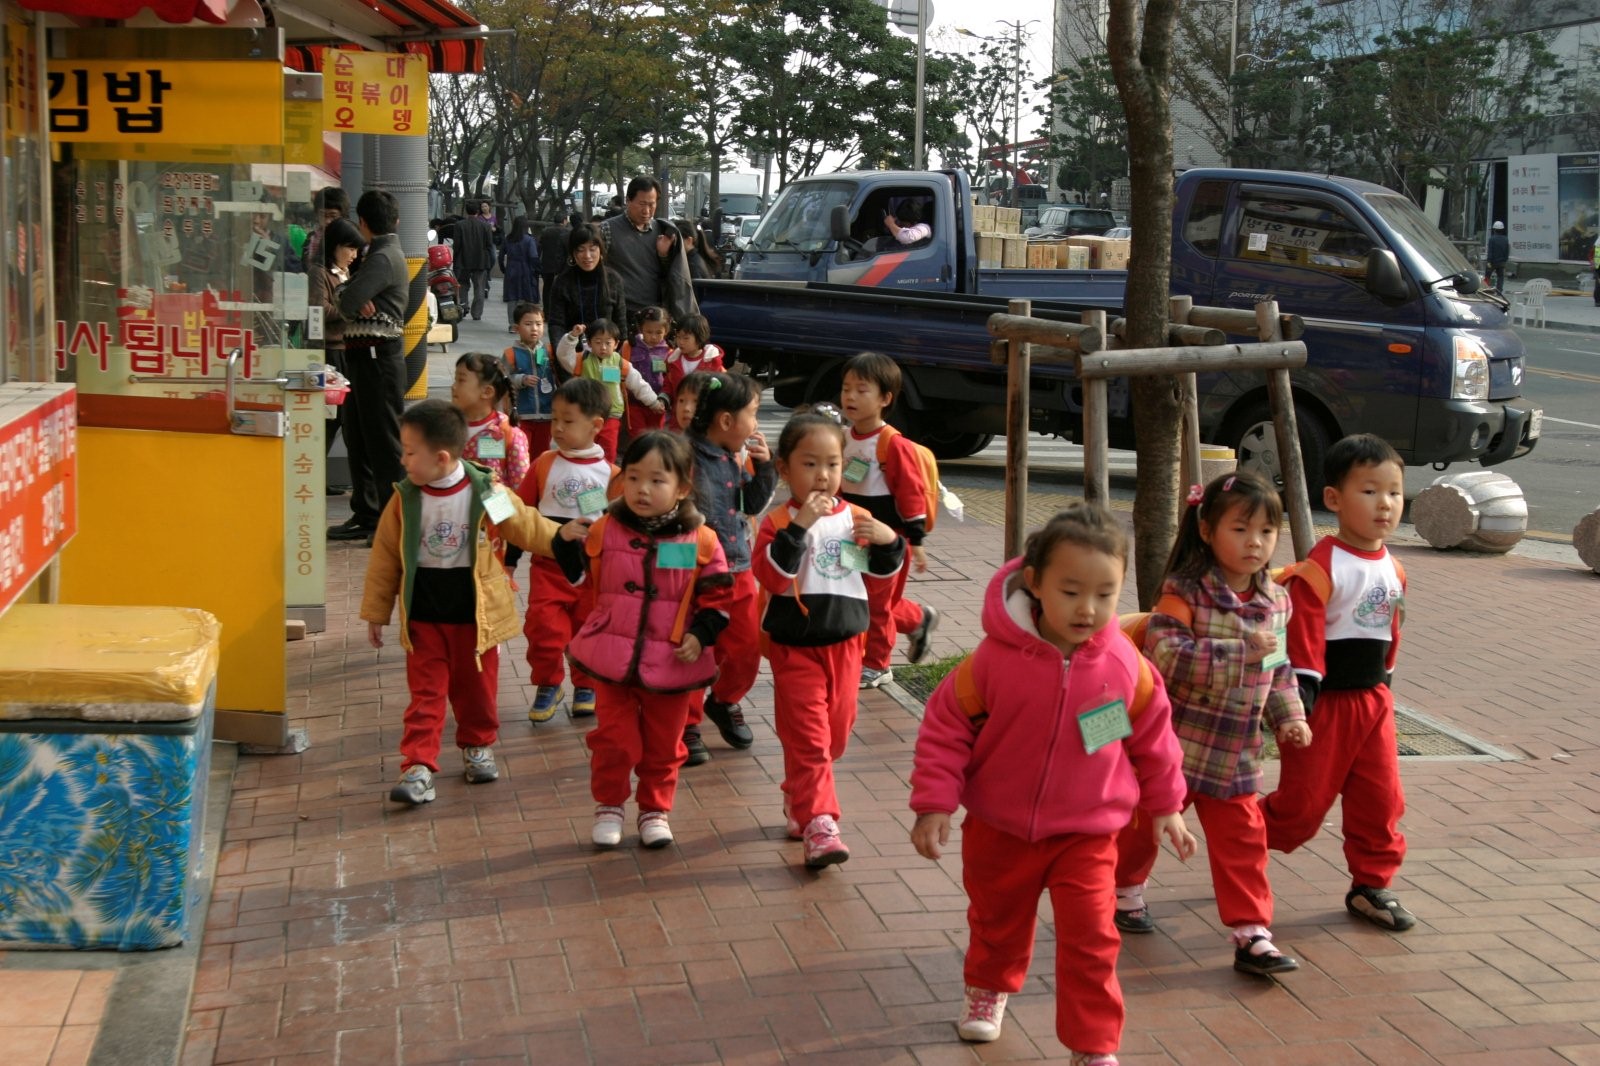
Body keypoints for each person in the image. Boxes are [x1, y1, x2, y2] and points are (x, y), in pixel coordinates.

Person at [908, 504, 1196, 1059]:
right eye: (1071, 591)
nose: (1088, 609)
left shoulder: (1127, 668)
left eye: (1105, 594)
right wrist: (934, 804)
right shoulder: (991, 662)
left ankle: (1092, 1044)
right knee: (996, 922)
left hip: (1087, 834)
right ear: (1036, 584)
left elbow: (1155, 741)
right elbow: (945, 731)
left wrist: (1167, 807)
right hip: (999, 828)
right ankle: (987, 989)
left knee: (1092, 941)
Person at [1111, 471, 1309, 976]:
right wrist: (1239, 650)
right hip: (1173, 747)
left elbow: (1278, 669)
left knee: (1244, 841)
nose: (1255, 543)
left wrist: (1289, 717)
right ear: (1206, 530)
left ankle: (1252, 933)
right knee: (1141, 828)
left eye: (1266, 531)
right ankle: (1124, 890)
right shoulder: (1183, 591)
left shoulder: (1276, 601)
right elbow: (1168, 656)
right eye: (1240, 529)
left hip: (1236, 752)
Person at [360, 399, 575, 804]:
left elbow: (523, 524)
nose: (402, 460)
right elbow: (385, 556)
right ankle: (418, 766)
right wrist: (376, 611)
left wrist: (562, 540)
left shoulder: (484, 490)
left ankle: (477, 745)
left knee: (477, 690)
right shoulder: (404, 498)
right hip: (423, 614)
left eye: (409, 452)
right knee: (425, 694)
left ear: (441, 457)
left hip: (476, 615)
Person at [1260, 434, 1414, 931]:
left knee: (1382, 799)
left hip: (1374, 704)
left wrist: (1386, 687)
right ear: (1334, 499)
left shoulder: (1394, 567)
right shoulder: (1320, 567)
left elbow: (1391, 630)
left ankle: (1371, 885)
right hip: (1324, 707)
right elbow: (1303, 643)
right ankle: (1238, 834)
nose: (1385, 504)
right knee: (1300, 811)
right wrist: (1297, 708)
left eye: (1393, 492)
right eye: (1369, 491)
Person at [552, 430, 735, 849]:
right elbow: (580, 579)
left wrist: (700, 634)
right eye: (633, 478)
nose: (642, 489)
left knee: (664, 745)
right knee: (614, 739)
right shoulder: (604, 529)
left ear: (682, 487)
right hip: (611, 657)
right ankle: (609, 806)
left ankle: (654, 809)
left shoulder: (701, 540)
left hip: (672, 660)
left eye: (656, 480)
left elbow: (718, 598)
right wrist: (562, 543)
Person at [753, 407, 905, 867]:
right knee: (812, 740)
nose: (823, 475)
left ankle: (798, 794)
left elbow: (878, 581)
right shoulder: (778, 521)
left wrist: (888, 542)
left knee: (834, 737)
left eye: (833, 464)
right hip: (794, 647)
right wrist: (799, 528)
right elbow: (773, 576)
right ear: (784, 469)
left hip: (846, 646)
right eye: (810, 463)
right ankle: (821, 823)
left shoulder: (855, 516)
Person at [683, 373, 776, 764]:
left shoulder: (736, 455)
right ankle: (686, 724)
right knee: (694, 648)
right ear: (725, 421)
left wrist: (765, 467)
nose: (755, 424)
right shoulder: (682, 455)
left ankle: (723, 701)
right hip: (693, 573)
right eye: (753, 414)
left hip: (738, 567)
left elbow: (752, 505)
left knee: (746, 649)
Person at [515, 378, 619, 724]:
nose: (557, 427)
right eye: (555, 419)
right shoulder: (543, 464)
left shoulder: (614, 476)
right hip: (548, 568)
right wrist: (508, 562)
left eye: (568, 420)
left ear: (596, 425)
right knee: (543, 629)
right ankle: (547, 683)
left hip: (593, 574)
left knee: (587, 631)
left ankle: (586, 685)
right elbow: (520, 514)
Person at [838, 352, 939, 688]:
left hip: (887, 542)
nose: (850, 396)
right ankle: (919, 619)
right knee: (858, 598)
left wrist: (916, 541)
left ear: (885, 398)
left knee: (876, 605)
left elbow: (911, 494)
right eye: (846, 388)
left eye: (861, 390)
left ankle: (878, 665)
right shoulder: (843, 436)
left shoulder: (892, 444)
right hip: (853, 536)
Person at [329, 190, 409, 542]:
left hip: (380, 359)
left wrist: (350, 291)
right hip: (365, 356)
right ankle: (367, 512)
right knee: (359, 437)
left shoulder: (382, 258)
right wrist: (354, 294)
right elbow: (352, 301)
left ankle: (393, 521)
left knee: (382, 442)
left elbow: (346, 302)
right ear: (395, 220)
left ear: (362, 222)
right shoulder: (378, 254)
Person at [556, 318, 666, 462]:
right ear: (589, 343)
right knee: (583, 448)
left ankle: (607, 476)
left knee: (609, 449)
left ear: (616, 344)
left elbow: (638, 384)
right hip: (585, 415)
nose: (603, 347)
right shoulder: (581, 360)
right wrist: (571, 337)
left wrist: (653, 402)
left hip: (612, 415)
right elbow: (563, 356)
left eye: (608, 343)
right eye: (597, 342)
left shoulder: (621, 364)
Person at [600, 176, 698, 328]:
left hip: (654, 316)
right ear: (628, 201)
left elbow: (673, 276)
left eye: (652, 204)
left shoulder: (663, 231)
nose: (646, 210)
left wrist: (663, 255)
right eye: (642, 204)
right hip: (621, 314)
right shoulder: (607, 229)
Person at [308, 217, 363, 483]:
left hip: (346, 350)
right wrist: (352, 309)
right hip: (329, 353)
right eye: (349, 248)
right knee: (330, 417)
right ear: (334, 246)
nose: (353, 255)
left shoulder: (346, 273)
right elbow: (321, 308)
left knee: (342, 418)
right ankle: (315, 473)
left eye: (356, 249)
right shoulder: (320, 273)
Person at [452, 352, 530, 495]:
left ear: (487, 392)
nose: (453, 386)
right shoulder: (445, 426)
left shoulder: (508, 434)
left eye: (461, 380)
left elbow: (521, 487)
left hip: (494, 514)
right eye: (455, 379)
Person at [544, 224, 629, 344]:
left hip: (607, 356)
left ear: (601, 250)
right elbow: (556, 325)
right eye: (580, 249)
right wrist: (562, 353)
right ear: (573, 253)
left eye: (592, 249)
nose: (587, 256)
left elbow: (620, 324)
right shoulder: (562, 282)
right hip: (572, 355)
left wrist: (618, 354)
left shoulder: (613, 280)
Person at [503, 302, 558, 456]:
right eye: (528, 324)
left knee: (541, 453)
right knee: (520, 453)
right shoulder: (510, 353)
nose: (534, 328)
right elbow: (502, 380)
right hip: (521, 414)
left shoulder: (549, 351)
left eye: (539, 324)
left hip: (546, 413)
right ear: (516, 328)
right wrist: (521, 379)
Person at [662, 314, 726, 429]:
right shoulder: (673, 360)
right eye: (678, 337)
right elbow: (668, 384)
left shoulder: (712, 361)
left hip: (704, 419)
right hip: (678, 419)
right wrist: (663, 398)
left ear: (700, 337)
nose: (680, 342)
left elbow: (724, 386)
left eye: (686, 338)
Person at [626, 306, 672, 434]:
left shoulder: (669, 351)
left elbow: (670, 379)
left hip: (658, 404)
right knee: (637, 436)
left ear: (666, 331)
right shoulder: (629, 347)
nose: (653, 336)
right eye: (649, 332)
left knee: (655, 438)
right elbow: (617, 370)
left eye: (658, 333)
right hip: (634, 403)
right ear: (641, 329)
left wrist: (665, 400)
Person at [454, 199, 495, 322]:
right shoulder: (486, 227)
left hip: (463, 260)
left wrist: (455, 259)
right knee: (479, 288)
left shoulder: (459, 225)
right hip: (480, 262)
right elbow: (489, 245)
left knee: (463, 285)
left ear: (466, 211)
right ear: (478, 212)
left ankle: (463, 307)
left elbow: (457, 245)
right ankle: (476, 313)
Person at [498, 216, 541, 329]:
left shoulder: (508, 239)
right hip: (526, 270)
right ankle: (526, 323)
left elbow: (501, 255)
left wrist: (503, 268)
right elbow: (533, 257)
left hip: (511, 269)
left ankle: (512, 324)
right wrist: (536, 270)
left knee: (512, 297)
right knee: (527, 297)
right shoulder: (529, 240)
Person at [539, 216, 572, 304]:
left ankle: (546, 309)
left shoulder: (545, 231)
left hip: (547, 264)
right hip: (562, 266)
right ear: (564, 221)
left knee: (547, 288)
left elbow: (540, 247)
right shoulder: (567, 233)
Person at [1486, 220, 1510, 292]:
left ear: (1494, 230)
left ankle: (1486, 288)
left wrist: (1489, 261)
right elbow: (1507, 251)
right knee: (1500, 276)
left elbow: (1490, 251)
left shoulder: (1492, 239)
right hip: (1501, 262)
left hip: (1492, 262)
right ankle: (1499, 290)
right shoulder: (1505, 239)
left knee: (1487, 276)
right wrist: (1505, 260)